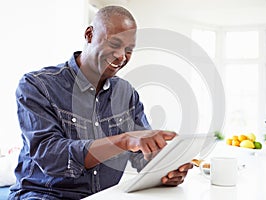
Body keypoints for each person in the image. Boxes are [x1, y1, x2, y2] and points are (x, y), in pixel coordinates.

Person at [9, 5, 193, 199]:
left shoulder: (126, 93)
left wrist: (166, 170)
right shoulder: (37, 85)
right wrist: (125, 140)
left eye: (129, 49)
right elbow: (51, 157)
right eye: (114, 44)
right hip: (43, 195)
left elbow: (142, 157)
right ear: (89, 35)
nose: (122, 56)